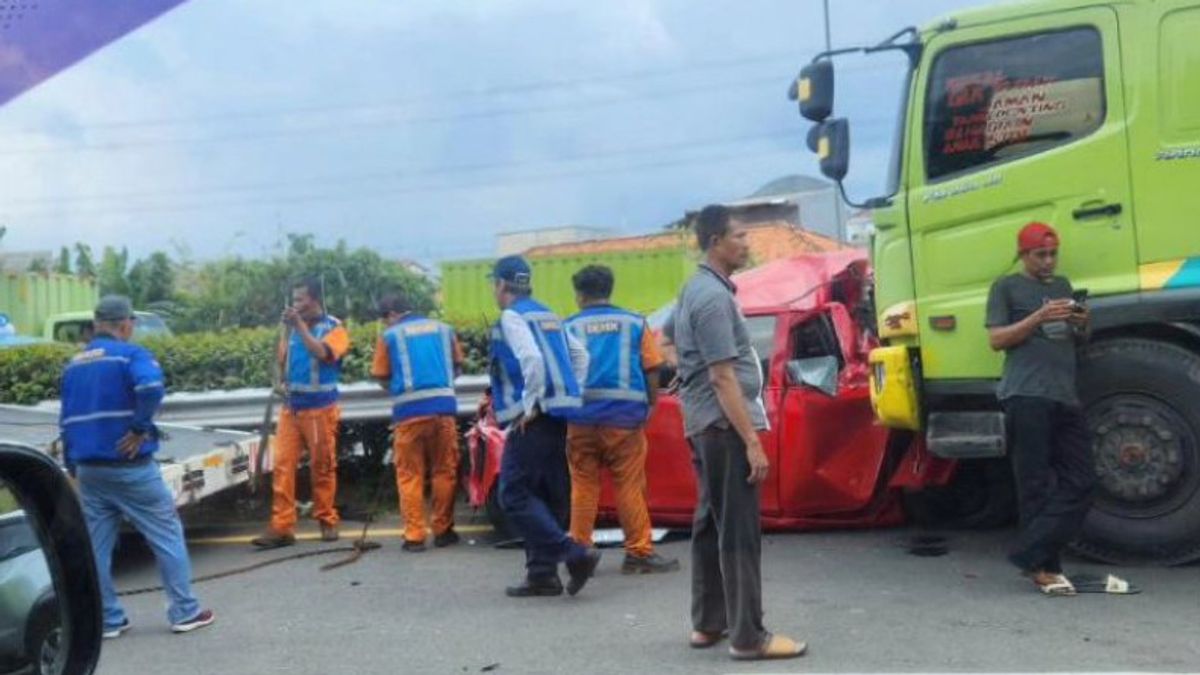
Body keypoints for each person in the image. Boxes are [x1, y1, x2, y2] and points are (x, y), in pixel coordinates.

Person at [666, 205, 805, 661]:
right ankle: (748, 636)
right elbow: (723, 376)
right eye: (739, 236)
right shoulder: (711, 298)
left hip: (704, 423)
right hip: (724, 427)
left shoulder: (697, 290)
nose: (747, 243)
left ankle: (708, 624)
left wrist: (685, 374)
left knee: (709, 525)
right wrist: (751, 441)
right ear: (714, 243)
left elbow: (669, 340)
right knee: (739, 532)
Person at [60, 295, 215, 638]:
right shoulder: (131, 354)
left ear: (96, 324)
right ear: (126, 324)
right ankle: (185, 611)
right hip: (129, 466)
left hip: (89, 469)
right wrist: (140, 427)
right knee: (166, 533)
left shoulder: (73, 365)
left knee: (97, 547)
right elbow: (150, 386)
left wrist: (72, 466)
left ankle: (110, 620)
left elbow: (66, 420)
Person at [986, 221, 1095, 595]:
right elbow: (996, 339)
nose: (1048, 261)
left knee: (1082, 480)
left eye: (1053, 254)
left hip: (1065, 395)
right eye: (1040, 255)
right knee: (1033, 483)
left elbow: (1076, 340)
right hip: (1026, 395)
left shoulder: (1063, 286)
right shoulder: (1006, 287)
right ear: (1023, 254)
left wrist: (1082, 322)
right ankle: (1044, 567)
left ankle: (1028, 553)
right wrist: (1037, 317)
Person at [488, 255, 600, 597]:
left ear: (502, 285)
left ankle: (573, 553)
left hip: (535, 417)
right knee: (546, 494)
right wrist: (568, 390)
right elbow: (581, 356)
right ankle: (542, 575)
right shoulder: (548, 314)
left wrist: (531, 403)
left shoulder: (512, 315)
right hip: (559, 414)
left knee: (514, 493)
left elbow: (531, 359)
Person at [564, 264, 679, 574]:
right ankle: (638, 554)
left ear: (579, 295)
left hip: (580, 419)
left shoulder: (568, 327)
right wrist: (650, 405)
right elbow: (652, 367)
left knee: (583, 485)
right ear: (609, 289)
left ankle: (579, 552)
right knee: (628, 485)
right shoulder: (633, 323)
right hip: (624, 420)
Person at [252, 277, 351, 549]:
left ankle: (327, 519)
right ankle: (282, 526)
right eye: (293, 300)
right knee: (282, 465)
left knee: (323, 466)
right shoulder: (290, 330)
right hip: (291, 409)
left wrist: (298, 327)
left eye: (299, 300)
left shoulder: (335, 328)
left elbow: (321, 353)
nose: (294, 305)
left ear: (314, 300)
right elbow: (282, 362)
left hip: (320, 409)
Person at [370, 294, 464, 552]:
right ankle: (443, 531)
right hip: (444, 411)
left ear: (391, 315)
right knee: (444, 471)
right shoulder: (445, 330)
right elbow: (458, 367)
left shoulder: (390, 336)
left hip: (409, 414)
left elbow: (380, 375)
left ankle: (414, 536)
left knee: (410, 475)